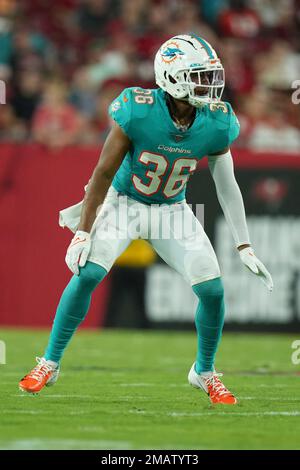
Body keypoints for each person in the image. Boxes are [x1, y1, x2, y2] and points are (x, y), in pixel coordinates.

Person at [19, 33, 273, 404]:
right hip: (124, 203)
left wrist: (244, 243)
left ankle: (204, 372)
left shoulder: (217, 122)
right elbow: (103, 173)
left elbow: (227, 184)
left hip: (172, 209)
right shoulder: (138, 109)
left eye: (210, 75)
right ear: (171, 76)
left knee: (213, 290)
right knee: (87, 272)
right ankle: (50, 363)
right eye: (199, 76)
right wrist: (83, 232)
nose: (209, 84)